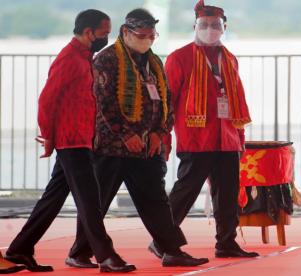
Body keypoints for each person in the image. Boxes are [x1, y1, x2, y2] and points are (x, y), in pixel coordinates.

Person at [66, 8, 209, 268]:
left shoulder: (153, 62)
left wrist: (159, 132)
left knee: (156, 199)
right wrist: (125, 134)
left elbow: (165, 100)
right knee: (97, 201)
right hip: (112, 148)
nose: (148, 40)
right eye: (142, 35)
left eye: (152, 35)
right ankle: (79, 252)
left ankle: (171, 250)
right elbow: (102, 104)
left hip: (146, 148)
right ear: (126, 32)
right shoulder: (106, 60)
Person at [4, 10, 136, 273]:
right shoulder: (69, 58)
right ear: (89, 33)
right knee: (89, 200)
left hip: (80, 139)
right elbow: (47, 100)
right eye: (104, 33)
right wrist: (49, 135)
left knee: (53, 199)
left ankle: (20, 249)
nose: (106, 38)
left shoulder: (85, 58)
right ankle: (106, 256)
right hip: (71, 141)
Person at [148, 0, 259, 259]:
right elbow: (167, 102)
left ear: (224, 27)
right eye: (205, 25)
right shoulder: (180, 57)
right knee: (185, 192)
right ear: (195, 26)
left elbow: (236, 102)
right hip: (196, 137)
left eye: (215, 25)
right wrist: (165, 136)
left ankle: (226, 243)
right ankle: (162, 239)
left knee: (228, 193)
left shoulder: (229, 58)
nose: (210, 29)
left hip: (227, 138)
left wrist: (240, 138)